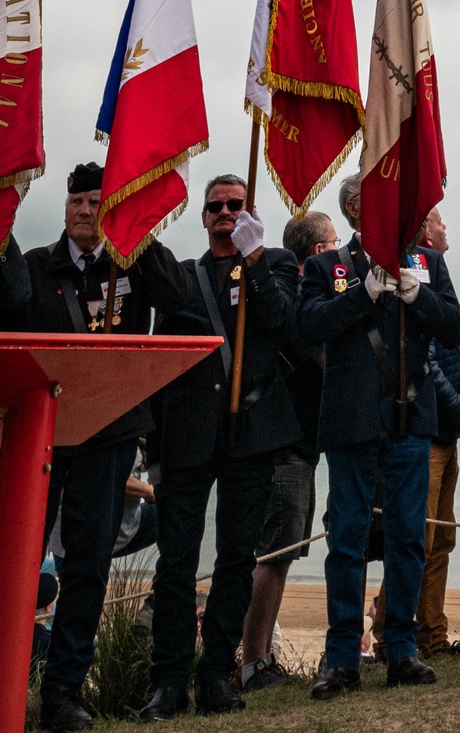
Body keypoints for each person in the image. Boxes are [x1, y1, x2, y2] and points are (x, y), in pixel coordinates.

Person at [11, 162, 193, 733]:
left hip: (107, 435)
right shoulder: (37, 268)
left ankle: (63, 692)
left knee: (87, 566)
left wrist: (136, 233)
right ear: (65, 208)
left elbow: (181, 294)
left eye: (97, 201)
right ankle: (9, 679)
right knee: (18, 560)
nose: (87, 211)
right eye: (79, 202)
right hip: (40, 433)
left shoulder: (130, 263)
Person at [299, 173, 460, 696]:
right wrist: (362, 297)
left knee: (406, 539)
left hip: (411, 418)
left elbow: (456, 329)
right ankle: (343, 658)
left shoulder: (428, 263)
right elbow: (307, 327)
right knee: (347, 541)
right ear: (353, 210)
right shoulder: (327, 266)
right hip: (351, 421)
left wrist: (418, 297)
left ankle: (401, 650)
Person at [139, 175, 300, 720]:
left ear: (248, 211)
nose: (226, 212)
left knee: (236, 559)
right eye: (217, 206)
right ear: (204, 217)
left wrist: (253, 258)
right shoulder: (185, 280)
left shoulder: (274, 265)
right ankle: (168, 680)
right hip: (188, 438)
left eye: (236, 204)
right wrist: (154, 449)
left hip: (253, 433)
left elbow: (282, 322)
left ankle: (215, 675)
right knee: (176, 563)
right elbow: (160, 367)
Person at [373, 204, 460, 658]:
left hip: (447, 431)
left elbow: (453, 345)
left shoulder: (436, 272)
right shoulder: (403, 273)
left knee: (444, 539)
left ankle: (432, 637)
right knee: (418, 538)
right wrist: (459, 410)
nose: (443, 224)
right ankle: (391, 637)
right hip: (427, 425)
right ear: (424, 231)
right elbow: (425, 360)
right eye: (438, 219)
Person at [240, 208, 339, 690]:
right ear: (319, 251)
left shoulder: (292, 289)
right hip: (287, 441)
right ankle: (253, 662)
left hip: (297, 442)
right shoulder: (299, 295)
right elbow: (318, 354)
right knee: (275, 554)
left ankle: (252, 659)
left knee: (278, 551)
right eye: (335, 242)